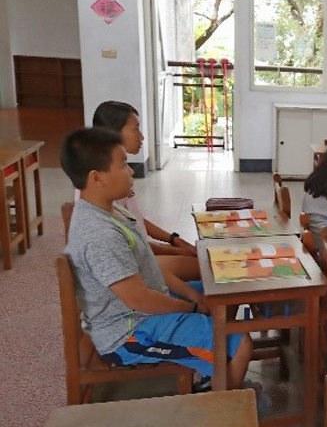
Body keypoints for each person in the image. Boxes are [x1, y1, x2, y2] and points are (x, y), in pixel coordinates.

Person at [60, 127, 254, 391]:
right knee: (240, 343)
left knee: (223, 293)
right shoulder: (99, 234)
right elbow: (140, 299)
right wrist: (193, 308)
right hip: (130, 331)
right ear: (97, 178)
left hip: (142, 312)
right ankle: (222, 404)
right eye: (123, 165)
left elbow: (147, 268)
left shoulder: (111, 212)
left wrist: (192, 295)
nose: (130, 172)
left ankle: (215, 377)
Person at [85, 101, 200, 281]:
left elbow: (136, 220)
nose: (142, 137)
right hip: (129, 265)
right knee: (209, 270)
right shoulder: (105, 182)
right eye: (136, 129)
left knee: (205, 265)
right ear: (113, 134)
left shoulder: (117, 174)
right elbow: (133, 243)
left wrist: (174, 239)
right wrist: (177, 251)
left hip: (139, 252)